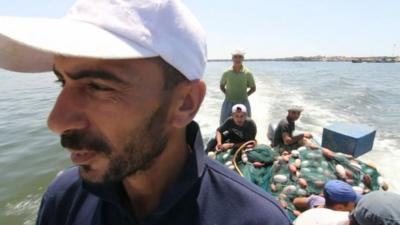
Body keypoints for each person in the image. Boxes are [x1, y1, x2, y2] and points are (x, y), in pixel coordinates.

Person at [0, 1, 291, 225]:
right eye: (62, 81)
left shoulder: (257, 219)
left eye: (98, 86)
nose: (56, 121)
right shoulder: (63, 199)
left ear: (186, 103)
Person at [219, 49, 256, 124]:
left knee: (247, 124)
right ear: (232, 58)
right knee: (224, 123)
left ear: (243, 59)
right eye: (235, 57)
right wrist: (227, 94)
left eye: (240, 57)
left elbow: (253, 88)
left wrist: (246, 95)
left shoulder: (248, 73)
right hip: (228, 102)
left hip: (243, 102)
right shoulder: (226, 73)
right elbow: (221, 86)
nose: (237, 59)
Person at [293, 180, 359, 213]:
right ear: (339, 207)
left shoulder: (318, 201)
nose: (354, 208)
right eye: (353, 205)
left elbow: (296, 201)